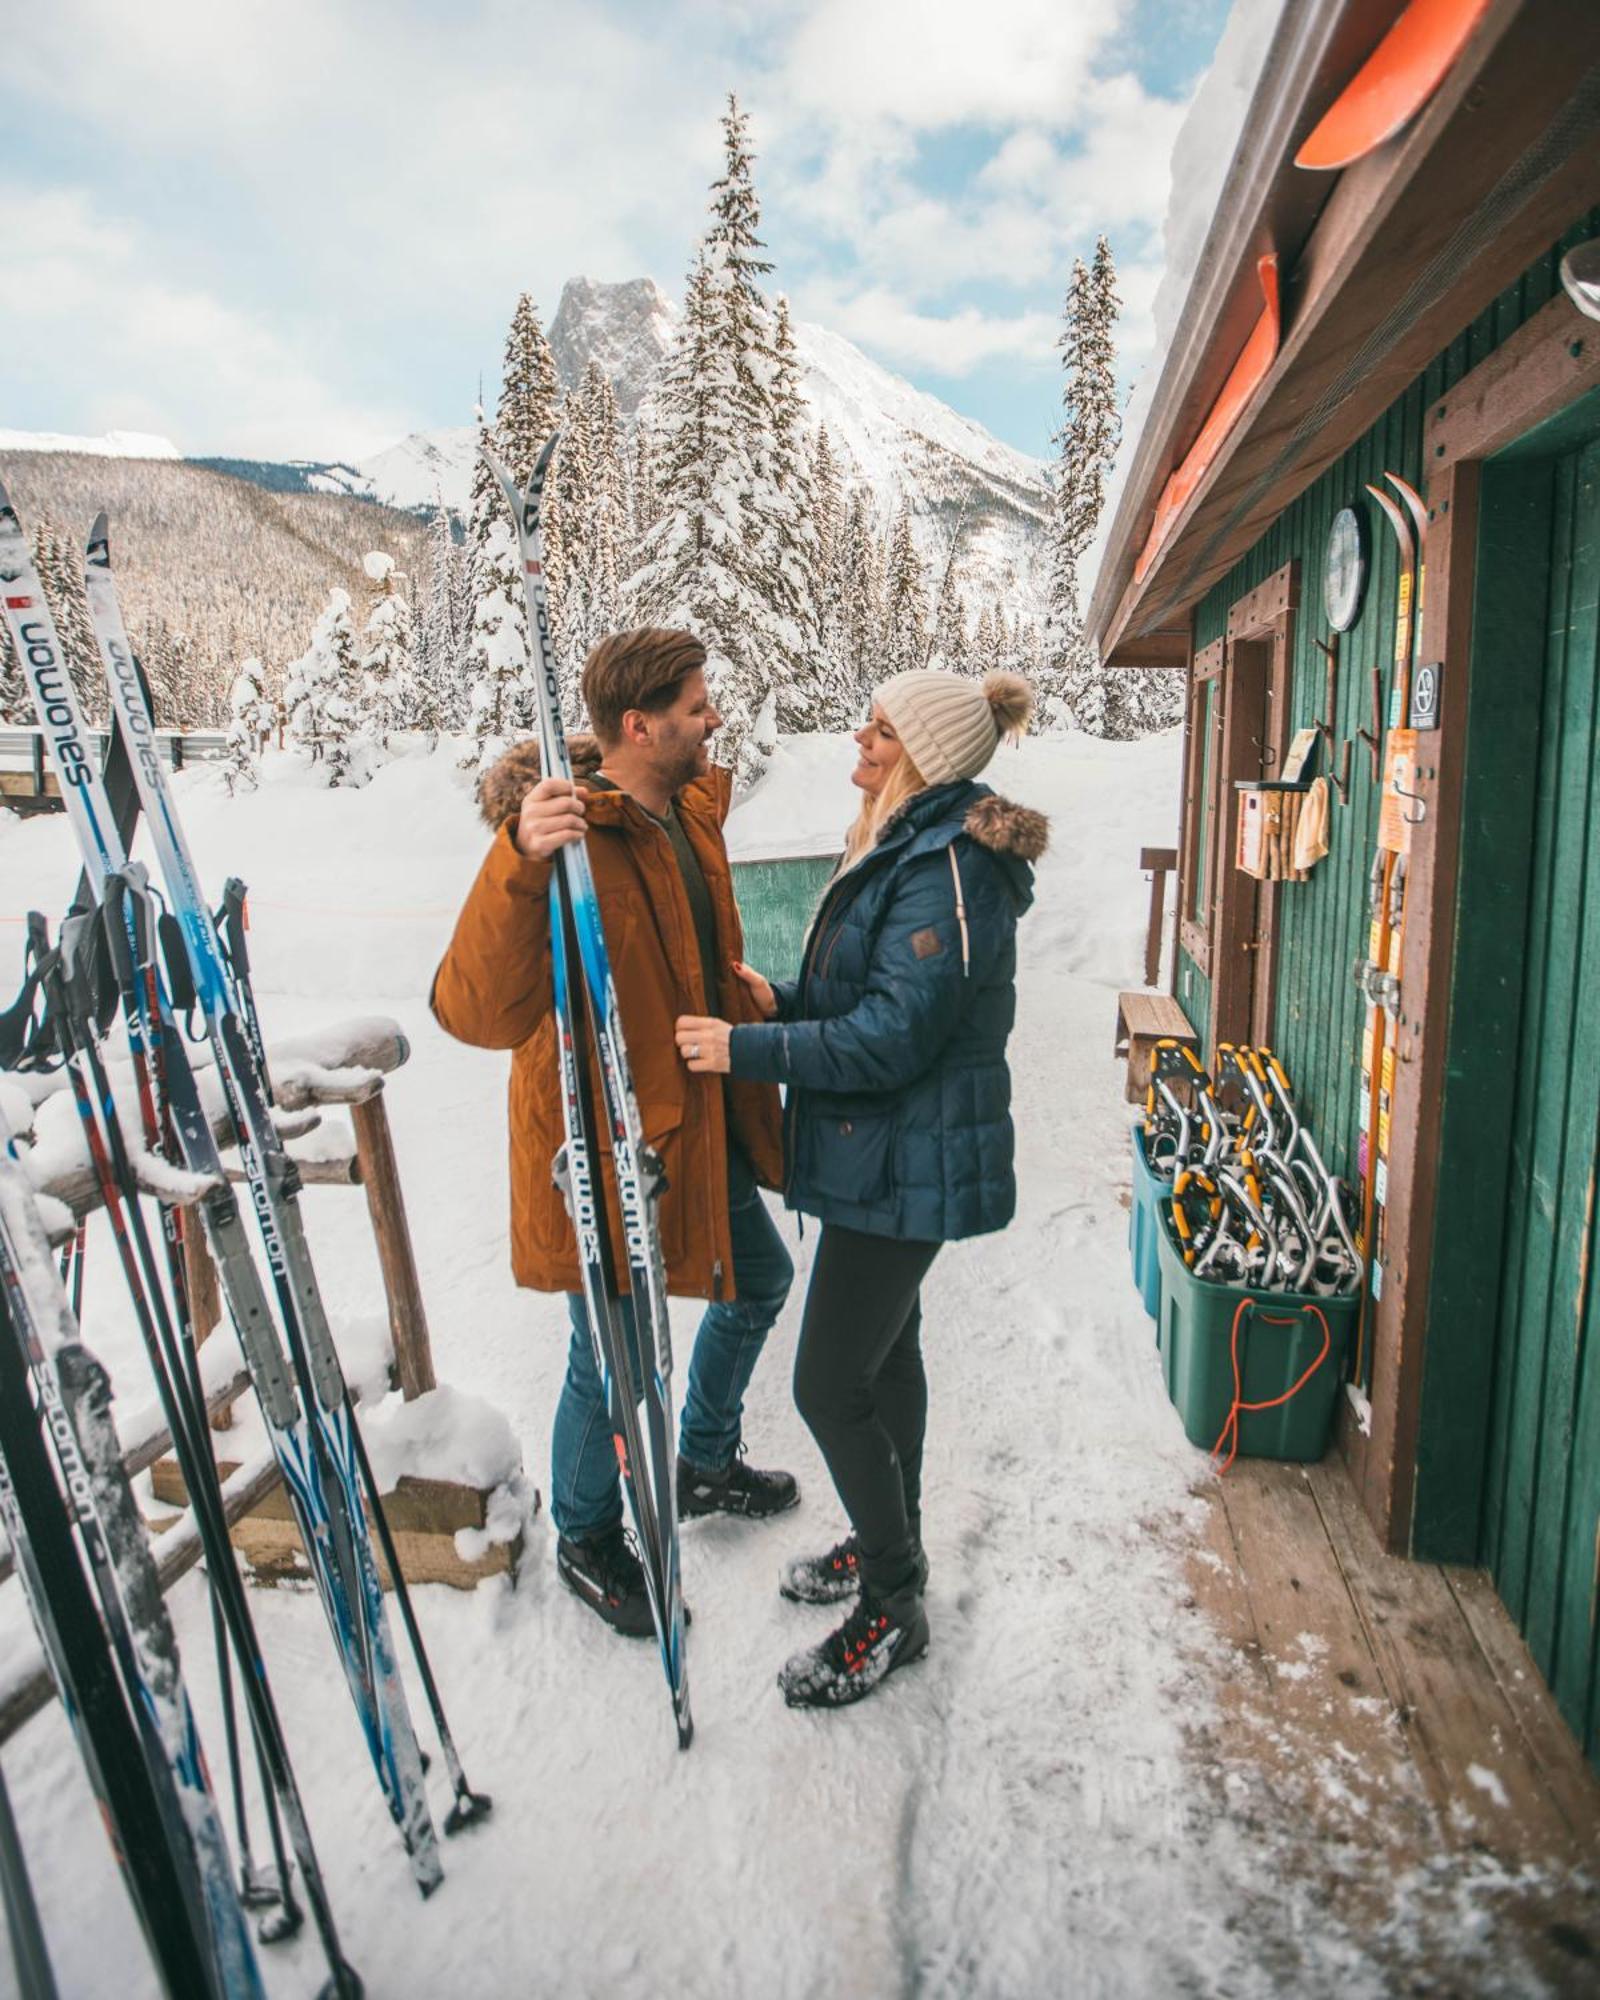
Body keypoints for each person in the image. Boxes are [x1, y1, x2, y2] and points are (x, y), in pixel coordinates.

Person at [674, 668, 1046, 1708]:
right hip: (886, 1151)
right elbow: (872, 998)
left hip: (907, 1156)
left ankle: (894, 1598)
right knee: (885, 1365)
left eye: (881, 730)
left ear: (922, 755)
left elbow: (891, 1038)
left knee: (826, 1381)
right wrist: (782, 997)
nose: (862, 738)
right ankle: (895, 1541)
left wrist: (744, 1045)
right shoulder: (907, 842)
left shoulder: (949, 867)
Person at [432, 628, 797, 1639]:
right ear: (639, 725)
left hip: (693, 1125)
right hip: (604, 1148)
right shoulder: (562, 844)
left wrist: (740, 993)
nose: (713, 717)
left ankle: (703, 1459)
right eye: (695, 705)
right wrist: (516, 856)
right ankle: (589, 1535)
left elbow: (683, 943)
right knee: (614, 1357)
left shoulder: (684, 812)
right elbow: (474, 1012)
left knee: (758, 1280)